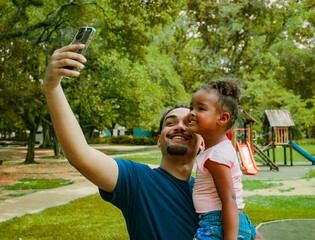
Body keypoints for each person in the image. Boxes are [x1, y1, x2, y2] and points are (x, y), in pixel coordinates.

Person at [43, 44, 202, 239]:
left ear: (202, 142)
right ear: (159, 140)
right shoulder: (137, 180)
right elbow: (80, 154)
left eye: (190, 123)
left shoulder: (208, 190)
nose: (180, 126)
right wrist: (52, 86)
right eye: (171, 122)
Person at [187, 78, 264, 240]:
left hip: (218, 223)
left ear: (222, 118)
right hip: (237, 221)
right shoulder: (219, 149)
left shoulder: (215, 157)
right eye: (191, 107)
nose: (192, 113)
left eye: (200, 108)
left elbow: (229, 199)